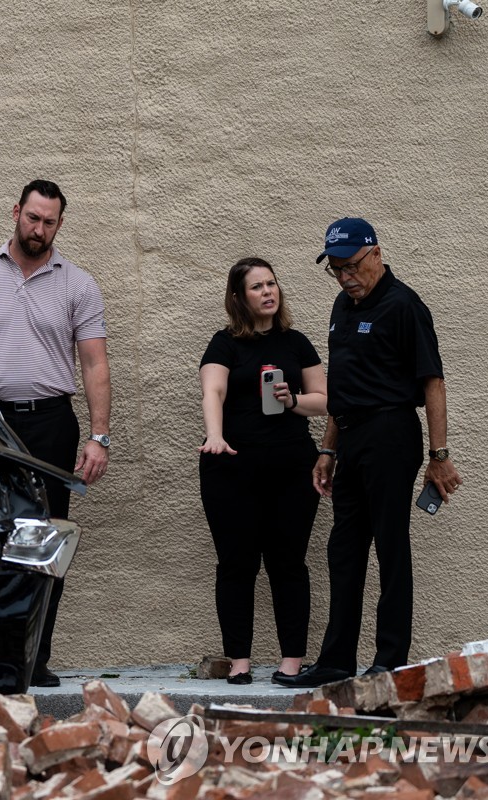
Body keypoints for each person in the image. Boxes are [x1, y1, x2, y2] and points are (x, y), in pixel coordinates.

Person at [275, 217, 463, 688]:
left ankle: (390, 661)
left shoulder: (405, 306)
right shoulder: (342, 305)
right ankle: (337, 661)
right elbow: (342, 384)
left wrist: (439, 454)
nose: (344, 277)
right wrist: (328, 449)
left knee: (390, 546)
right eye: (336, 269)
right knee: (344, 549)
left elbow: (433, 382)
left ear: (375, 253)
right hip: (352, 437)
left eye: (351, 266)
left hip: (391, 433)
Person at [0, 179, 111, 688]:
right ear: (15, 212)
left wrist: (99, 437)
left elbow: (94, 364)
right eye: (32, 218)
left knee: (46, 542)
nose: (39, 229)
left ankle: (32, 659)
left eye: (49, 222)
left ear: (60, 224)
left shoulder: (78, 284)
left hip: (50, 423)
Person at [198, 257, 328, 686]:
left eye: (271, 284)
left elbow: (325, 400)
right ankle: (239, 662)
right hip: (232, 466)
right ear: (239, 297)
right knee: (236, 564)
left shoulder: (297, 344)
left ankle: (291, 661)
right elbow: (213, 391)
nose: (268, 292)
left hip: (292, 467)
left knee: (288, 563)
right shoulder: (224, 344)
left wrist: (292, 401)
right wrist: (214, 435)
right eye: (256, 287)